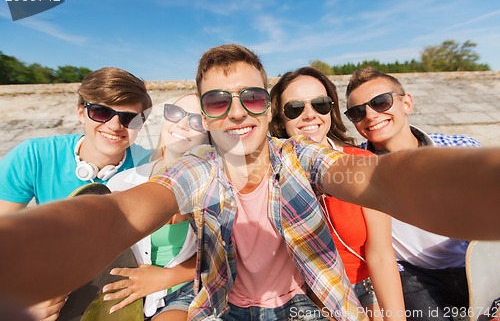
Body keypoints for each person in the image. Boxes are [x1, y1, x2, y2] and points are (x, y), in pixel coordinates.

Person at [0, 44, 499, 321]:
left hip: (308, 301)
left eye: (252, 97)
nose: (237, 112)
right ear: (206, 114)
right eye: (218, 101)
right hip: (222, 307)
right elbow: (125, 212)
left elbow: (380, 180)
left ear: (268, 104)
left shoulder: (303, 159)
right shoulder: (197, 171)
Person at [0, 66, 152, 320]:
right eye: (101, 111)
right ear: (81, 112)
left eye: (129, 118)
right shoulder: (33, 156)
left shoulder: (151, 167)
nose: (115, 126)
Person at [344, 67, 482, 321]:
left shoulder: (463, 149)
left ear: (406, 102)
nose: (371, 115)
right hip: (413, 276)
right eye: (358, 112)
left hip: (476, 263)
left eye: (380, 102)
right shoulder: (356, 169)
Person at [269, 66, 405, 321]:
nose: (310, 115)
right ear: (280, 119)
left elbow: (381, 255)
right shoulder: (269, 175)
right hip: (300, 296)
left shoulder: (364, 163)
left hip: (362, 290)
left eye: (320, 104)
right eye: (295, 108)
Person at [105, 93, 209, 320]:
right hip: (126, 291)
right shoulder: (123, 182)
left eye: (196, 120)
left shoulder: (214, 187)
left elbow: (220, 257)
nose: (181, 124)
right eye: (175, 113)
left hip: (184, 291)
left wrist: (164, 278)